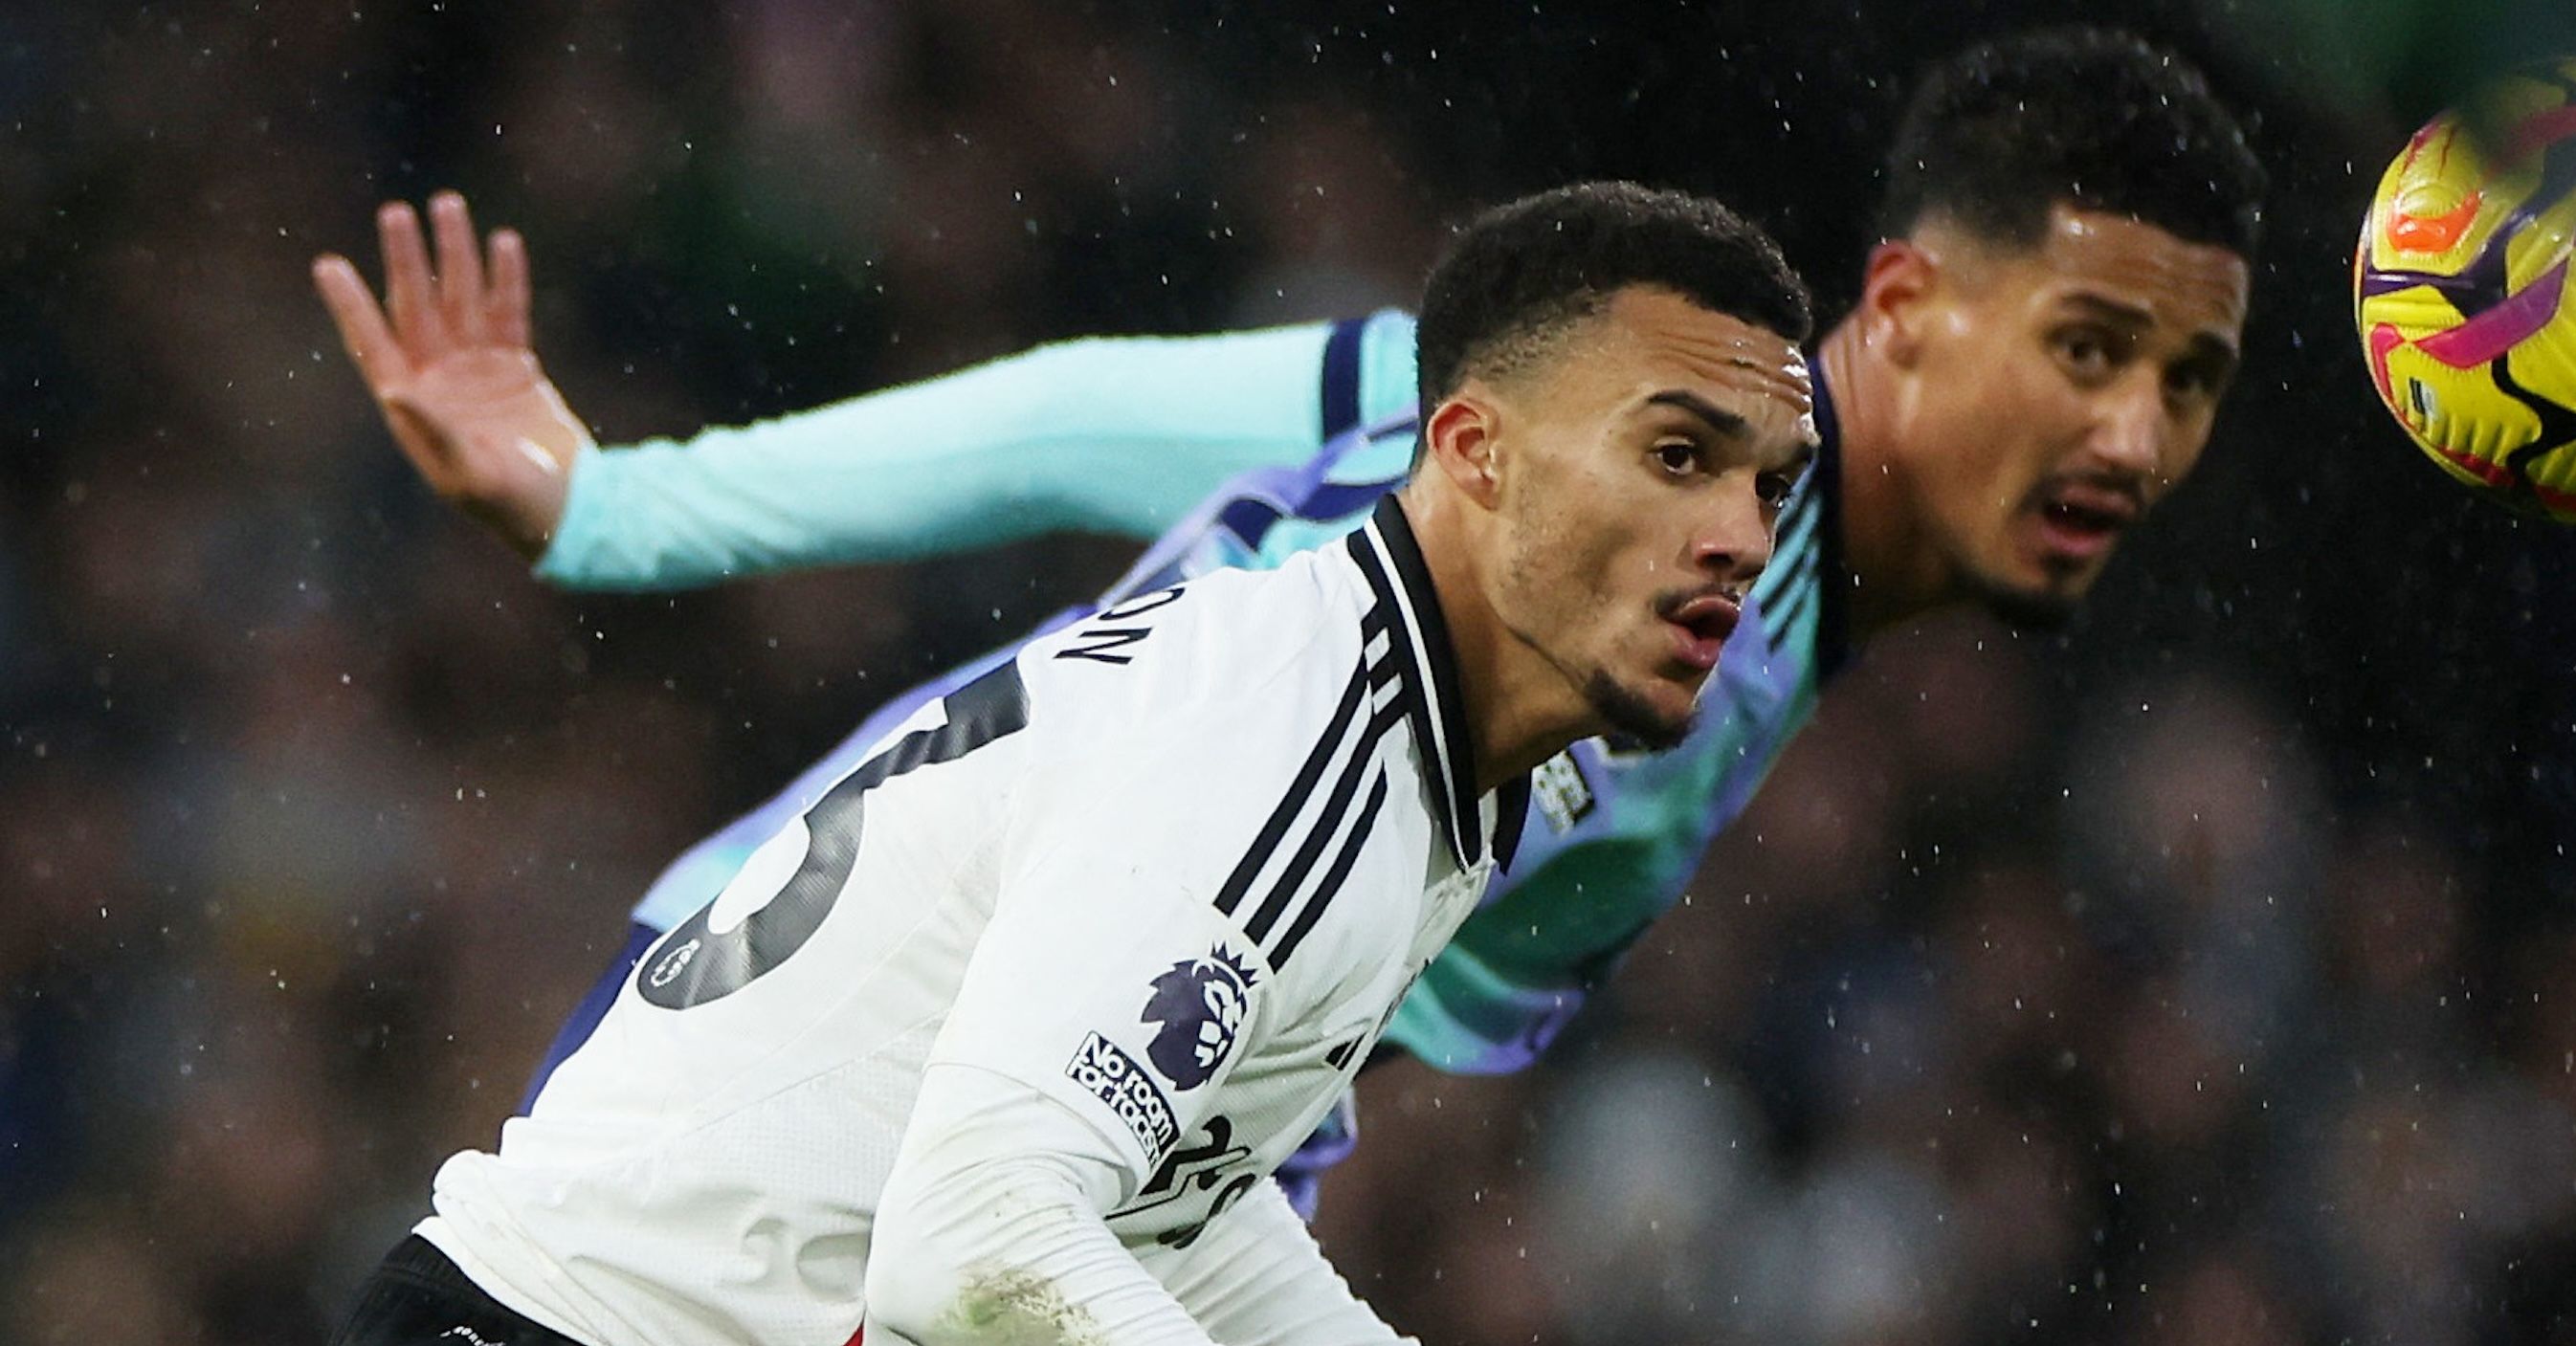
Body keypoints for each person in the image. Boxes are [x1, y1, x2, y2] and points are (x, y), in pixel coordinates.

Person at [310, 25, 2264, 1205]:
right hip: (825, 1093)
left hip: (946, 1146)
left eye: (2187, 382)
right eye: (2087, 346)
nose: (2131, 432)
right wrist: (623, 512)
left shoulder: (1729, 627)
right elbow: (1082, 427)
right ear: (1909, 311)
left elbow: (1097, 417)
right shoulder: (1634, 461)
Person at [294, 183, 1817, 1346]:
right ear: (1474, 453)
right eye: (1679, 456)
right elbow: (978, 1257)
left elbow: (1175, 1210)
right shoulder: (1283, 738)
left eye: (1770, 486)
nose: (1738, 536)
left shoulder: (1416, 757)